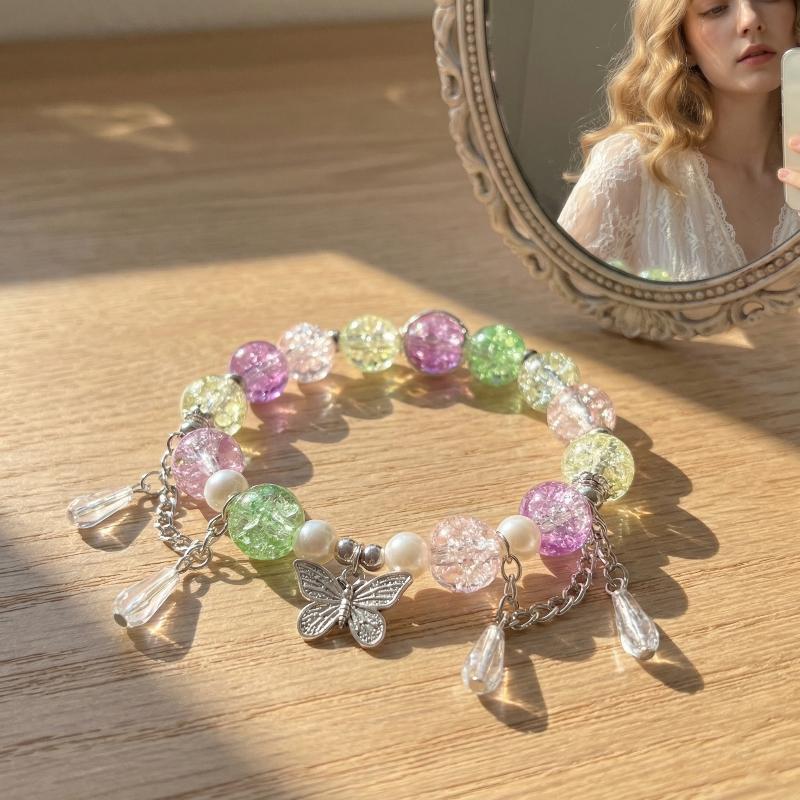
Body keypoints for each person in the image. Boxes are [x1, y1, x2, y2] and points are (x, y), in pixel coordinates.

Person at [557, 0, 800, 282]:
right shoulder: (631, 167)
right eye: (716, 8)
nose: (750, 20)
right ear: (683, 42)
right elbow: (553, 302)